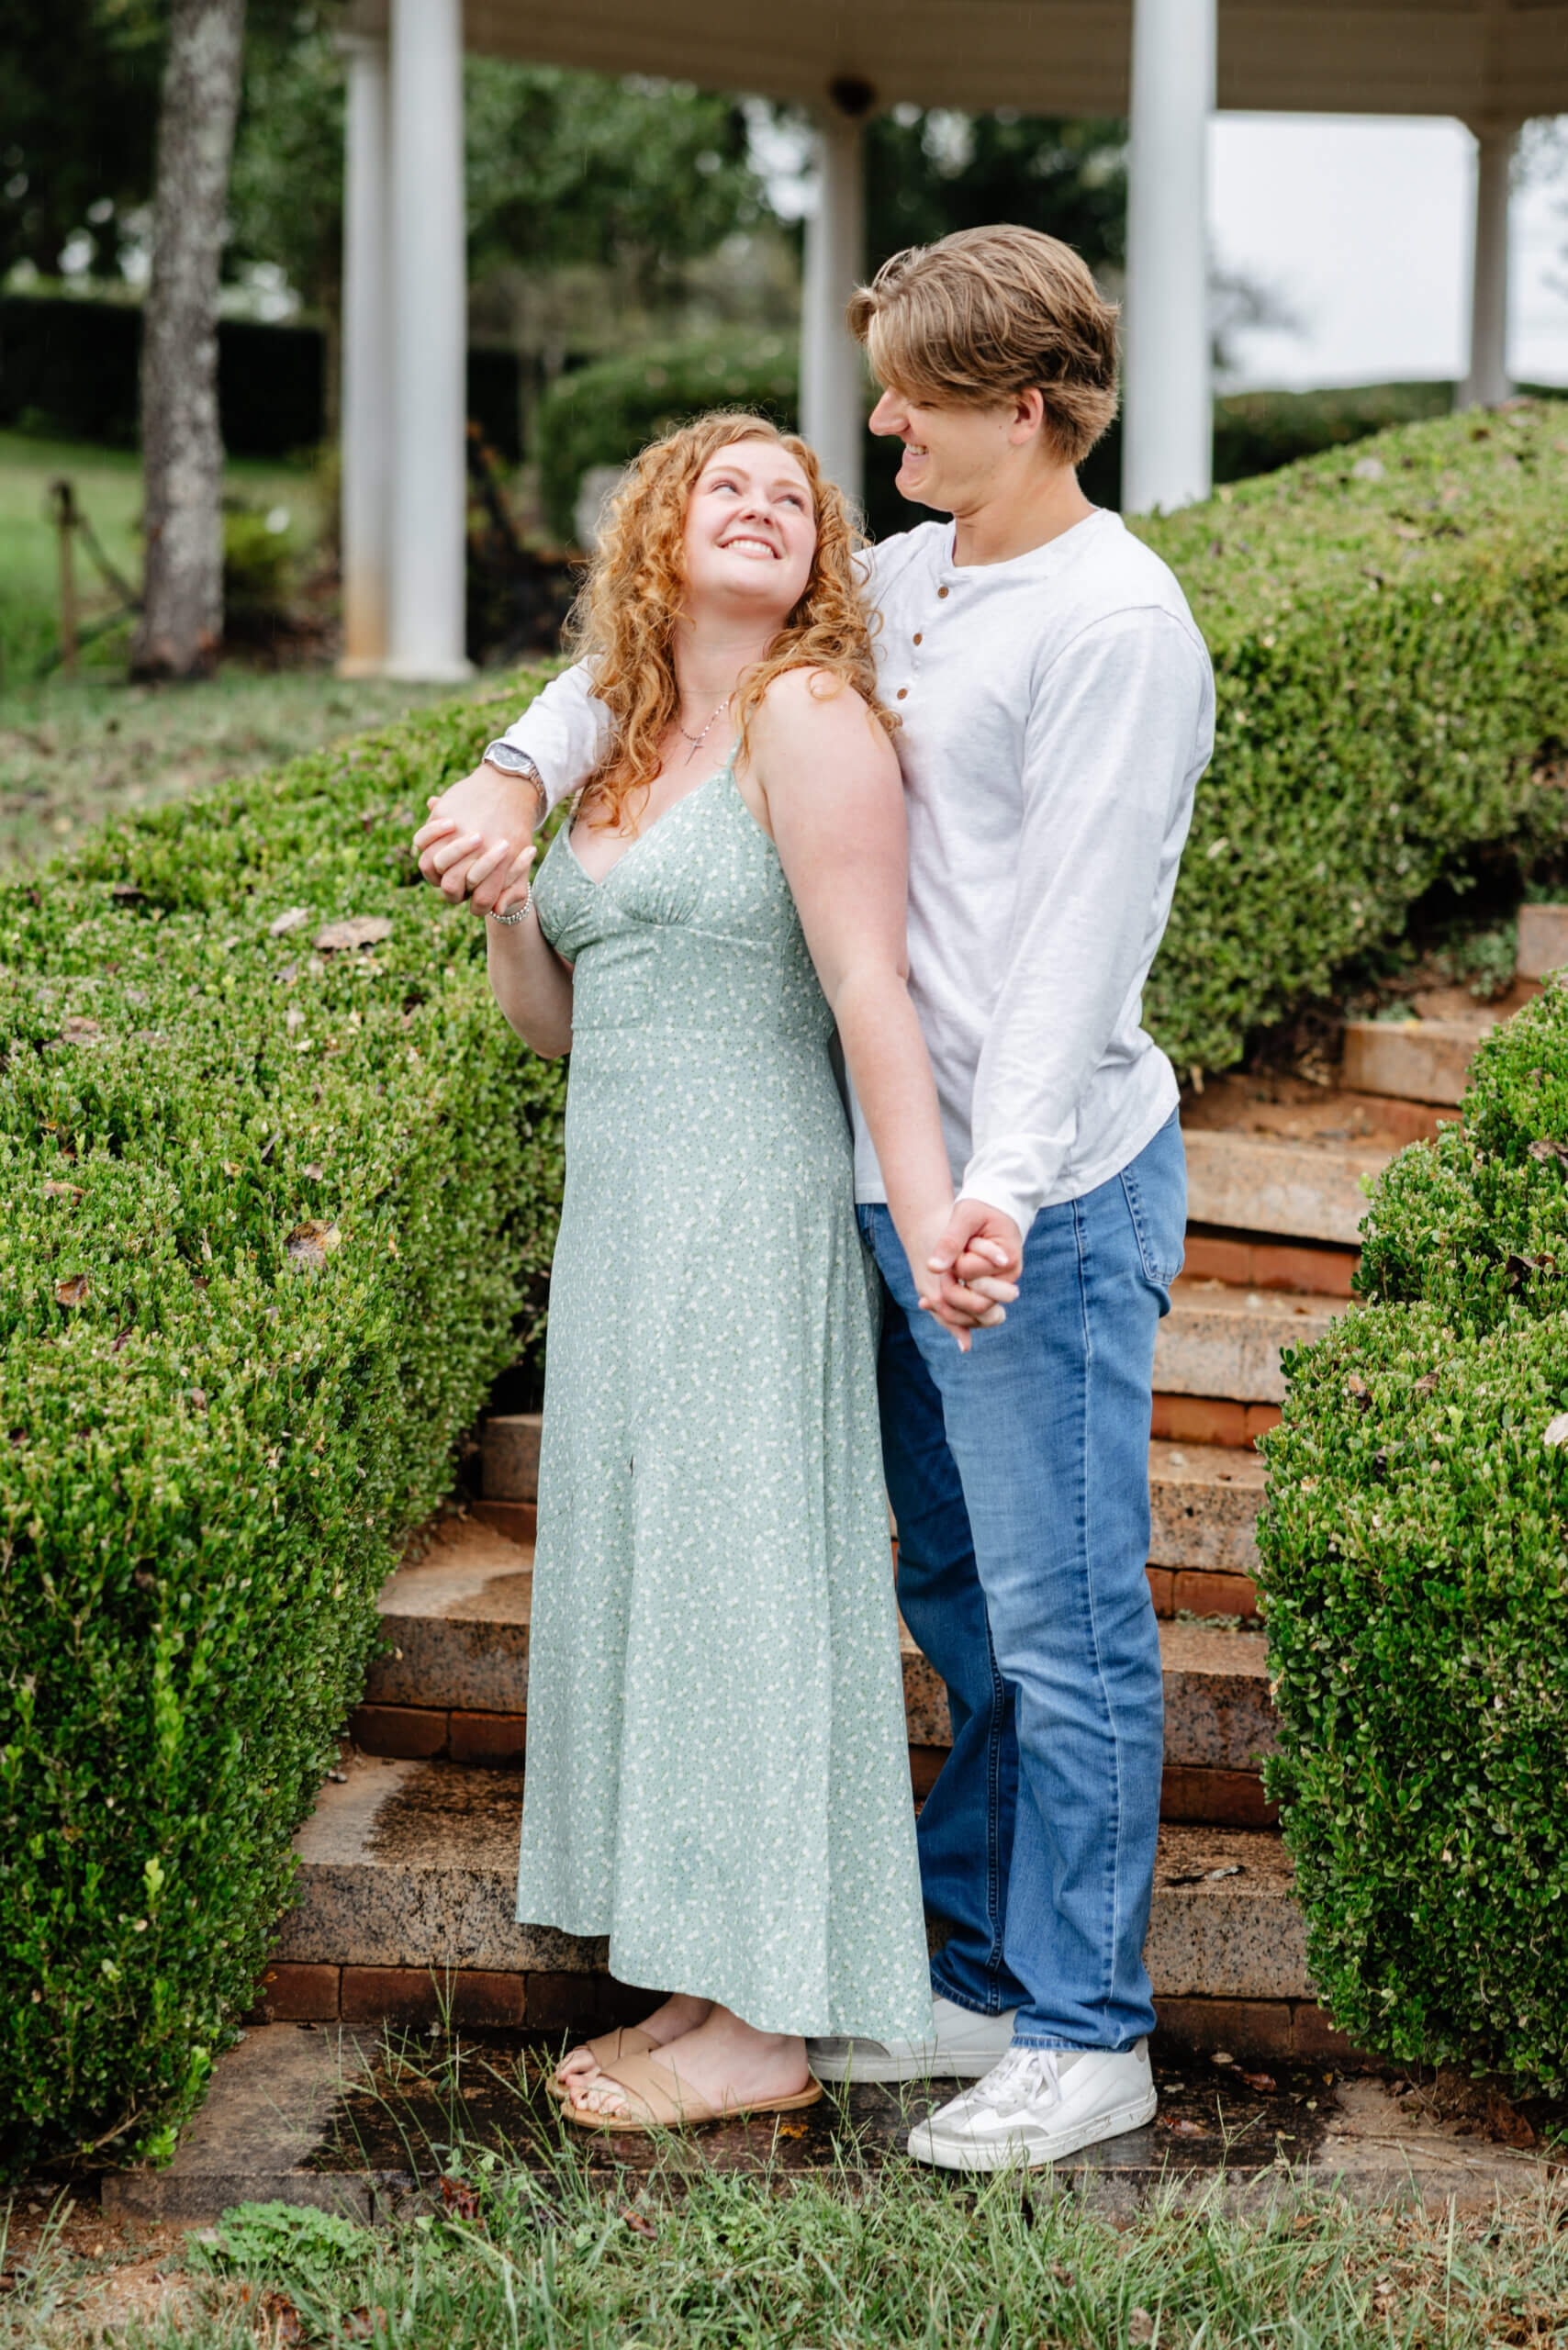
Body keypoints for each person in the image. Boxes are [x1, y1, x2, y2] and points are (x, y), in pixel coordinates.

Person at [416, 225, 1215, 2169]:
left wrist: (983, 1201)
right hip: (885, 1179)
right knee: (953, 1601)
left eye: (907, 401)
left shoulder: (1114, 628)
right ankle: (958, 1970)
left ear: (1020, 408)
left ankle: (1084, 2026)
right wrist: (516, 778)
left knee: (1058, 1620)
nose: (871, 430)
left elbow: (1071, 962)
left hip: (1034, 1189)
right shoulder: (916, 575)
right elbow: (640, 663)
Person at [423, 411, 1014, 2132]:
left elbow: (868, 995)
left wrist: (925, 1225)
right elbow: (557, 1027)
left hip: (749, 1221)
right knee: (664, 1597)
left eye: (790, 495)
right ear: (657, 534)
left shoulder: (809, 720)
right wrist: (511, 904)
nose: (757, 505)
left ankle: (769, 2032)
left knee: (747, 1594)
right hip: (616, 1234)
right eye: (721, 485)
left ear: (821, 554)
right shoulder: (620, 741)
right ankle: (706, 1979)